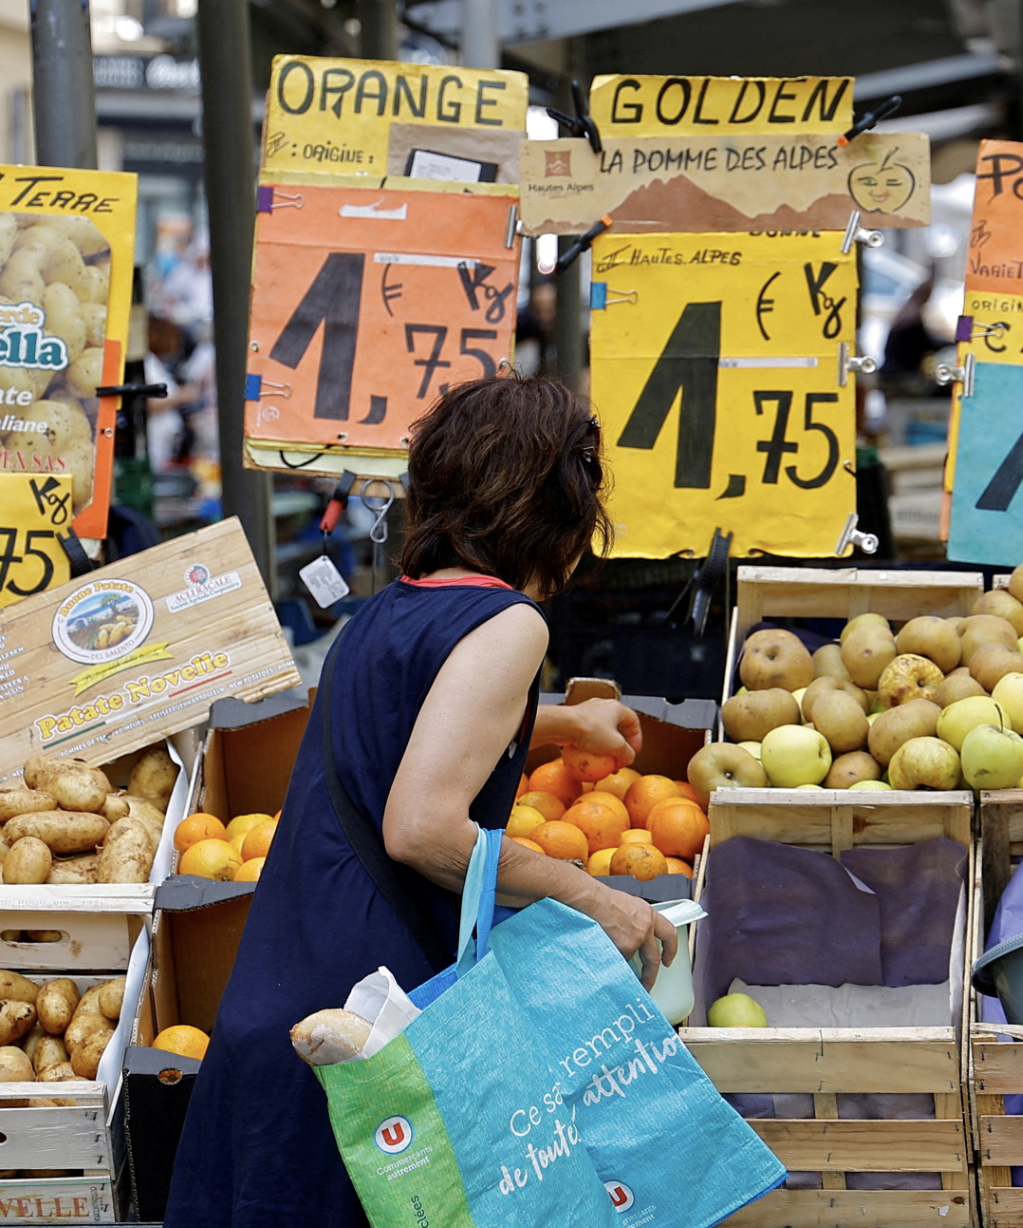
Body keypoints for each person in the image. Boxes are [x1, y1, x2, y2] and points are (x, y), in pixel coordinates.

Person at [166, 376, 678, 1228]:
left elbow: (412, 724)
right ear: (554, 506)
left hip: (283, 993)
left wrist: (565, 723)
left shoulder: (384, 613)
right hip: (373, 1025)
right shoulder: (511, 623)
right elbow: (420, 829)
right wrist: (593, 893)